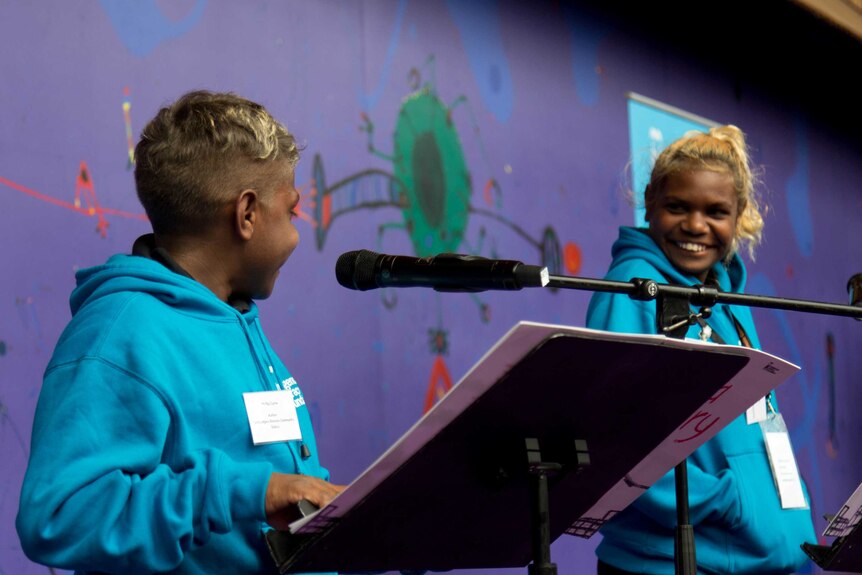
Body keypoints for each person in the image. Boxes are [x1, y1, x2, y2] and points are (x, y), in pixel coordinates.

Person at [17, 91, 343, 574]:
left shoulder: (233, 318)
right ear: (247, 213)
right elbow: (59, 516)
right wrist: (247, 491)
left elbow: (283, 499)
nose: (295, 234)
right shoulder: (121, 332)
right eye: (291, 212)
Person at [586, 125, 816, 574]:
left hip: (753, 557)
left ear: (738, 214)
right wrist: (730, 503)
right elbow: (617, 437)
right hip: (675, 562)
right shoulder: (633, 290)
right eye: (677, 207)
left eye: (715, 211)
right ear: (650, 200)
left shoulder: (725, 297)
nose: (695, 226)